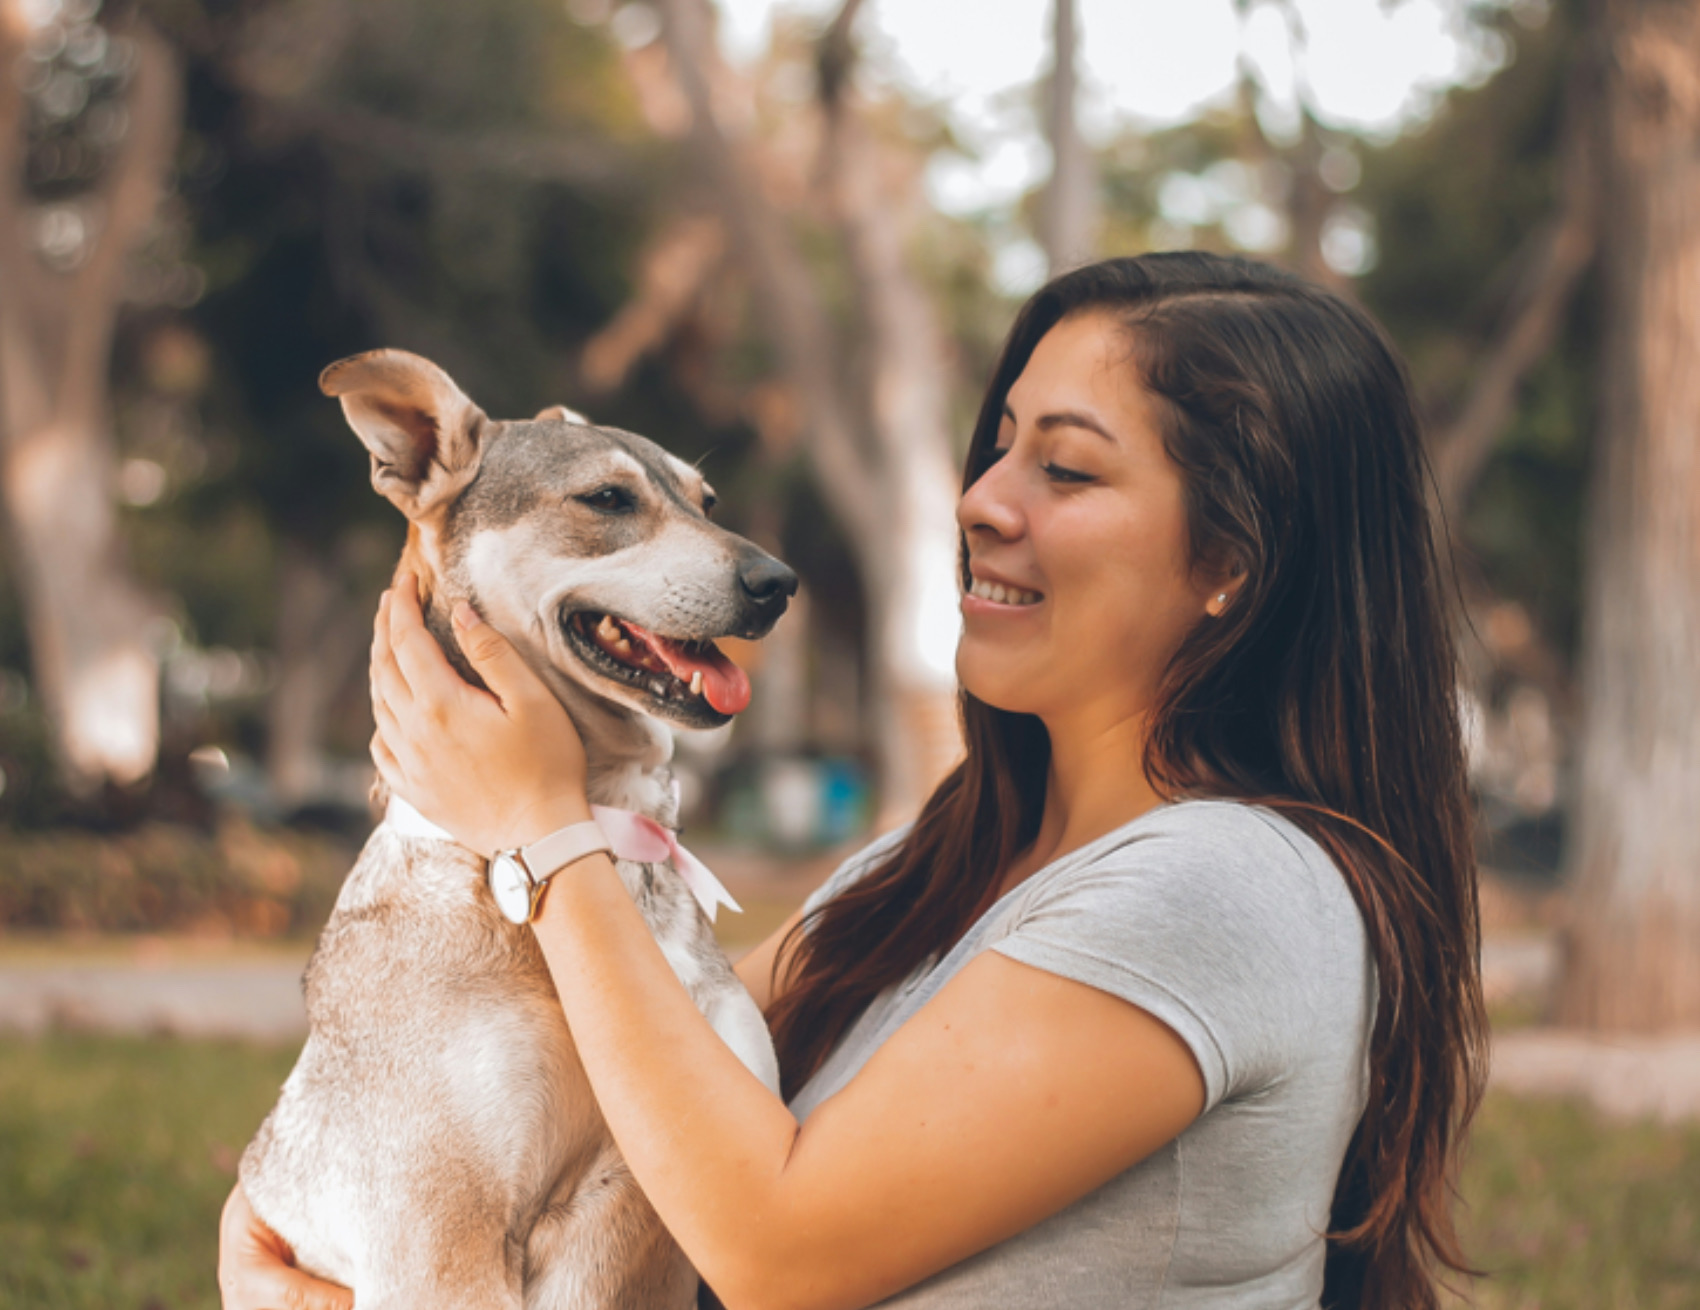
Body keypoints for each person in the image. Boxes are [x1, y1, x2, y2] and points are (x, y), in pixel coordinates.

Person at [219, 252, 1486, 1310]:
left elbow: (774, 1247)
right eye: (995, 449)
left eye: (1067, 466)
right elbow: (615, 1078)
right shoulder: (924, 866)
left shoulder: (1226, 887)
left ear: (1233, 561)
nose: (981, 501)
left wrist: (545, 825)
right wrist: (281, 1223)